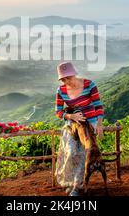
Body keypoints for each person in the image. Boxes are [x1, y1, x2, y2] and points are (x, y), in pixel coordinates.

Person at [54, 61, 104, 196]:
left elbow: (98, 106)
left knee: (84, 154)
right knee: (70, 153)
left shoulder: (89, 85)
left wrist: (99, 124)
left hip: (90, 122)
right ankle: (69, 183)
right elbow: (58, 112)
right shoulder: (61, 90)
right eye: (63, 79)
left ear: (74, 74)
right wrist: (71, 116)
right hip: (72, 125)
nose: (66, 81)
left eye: (68, 78)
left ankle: (77, 186)